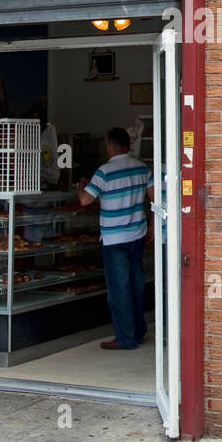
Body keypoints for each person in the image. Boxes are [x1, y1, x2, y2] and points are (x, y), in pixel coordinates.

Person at [76, 127, 153, 350]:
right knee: (136, 284)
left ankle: (125, 338)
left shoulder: (104, 171)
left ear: (109, 147)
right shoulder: (141, 167)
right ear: (128, 145)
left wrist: (80, 187)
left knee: (119, 289)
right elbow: (154, 198)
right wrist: (150, 223)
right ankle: (138, 331)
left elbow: (85, 201)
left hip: (114, 238)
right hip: (137, 234)